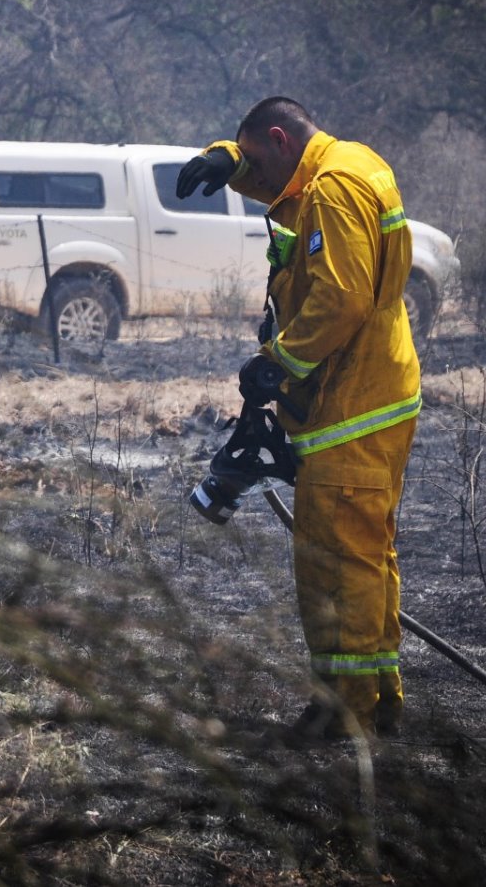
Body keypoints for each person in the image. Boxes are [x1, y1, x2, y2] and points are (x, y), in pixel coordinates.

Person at [177, 97, 421, 740]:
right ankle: (378, 698)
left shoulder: (334, 188)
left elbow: (341, 299)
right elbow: (282, 193)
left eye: (254, 157)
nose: (251, 176)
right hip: (372, 394)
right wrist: (230, 159)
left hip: (353, 404)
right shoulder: (344, 165)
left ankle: (345, 714)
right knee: (367, 556)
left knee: (338, 565)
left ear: (282, 139)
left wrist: (277, 363)